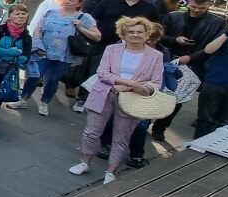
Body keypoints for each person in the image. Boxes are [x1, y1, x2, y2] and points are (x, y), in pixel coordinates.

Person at [70, 17, 164, 183]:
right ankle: (84, 162)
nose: (135, 35)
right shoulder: (112, 49)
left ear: (147, 34)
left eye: (139, 32)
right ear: (124, 34)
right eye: (131, 32)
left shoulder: (156, 56)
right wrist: (128, 82)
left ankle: (111, 171)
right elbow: (103, 73)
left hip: (133, 99)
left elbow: (155, 83)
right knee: (92, 131)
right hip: (104, 93)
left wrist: (129, 88)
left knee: (121, 136)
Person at [152, 0, 226, 139]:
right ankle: (146, 121)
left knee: (176, 98)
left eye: (201, 8)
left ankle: (160, 127)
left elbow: (213, 47)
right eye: (193, 7)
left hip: (194, 64)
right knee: (155, 92)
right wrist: (175, 40)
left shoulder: (218, 23)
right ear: (189, 3)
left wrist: (190, 58)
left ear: (208, 6)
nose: (196, 10)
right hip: (169, 59)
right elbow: (159, 36)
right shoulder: (174, 16)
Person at [24, 0, 100, 116]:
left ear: (79, 4)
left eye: (72, 0)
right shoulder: (51, 12)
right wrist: (38, 45)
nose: (68, 1)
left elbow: (97, 36)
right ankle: (23, 99)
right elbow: (38, 29)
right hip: (44, 51)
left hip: (65, 56)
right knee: (34, 75)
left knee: (53, 80)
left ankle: (44, 103)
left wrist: (80, 27)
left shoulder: (84, 17)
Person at [195, 8, 228, 137]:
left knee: (226, 123)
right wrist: (227, 35)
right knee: (204, 120)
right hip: (215, 82)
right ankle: (197, 147)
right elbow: (208, 50)